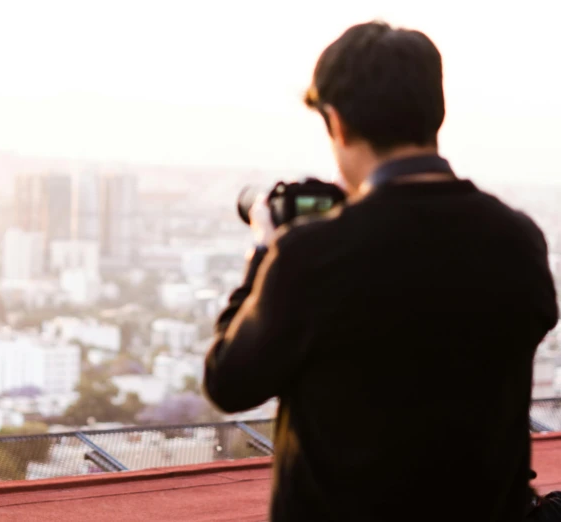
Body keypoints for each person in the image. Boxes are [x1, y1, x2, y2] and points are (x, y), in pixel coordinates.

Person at [203, 21, 559, 522]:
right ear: (435, 114)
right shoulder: (518, 239)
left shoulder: (313, 255)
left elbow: (228, 382)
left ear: (338, 123)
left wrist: (266, 250)